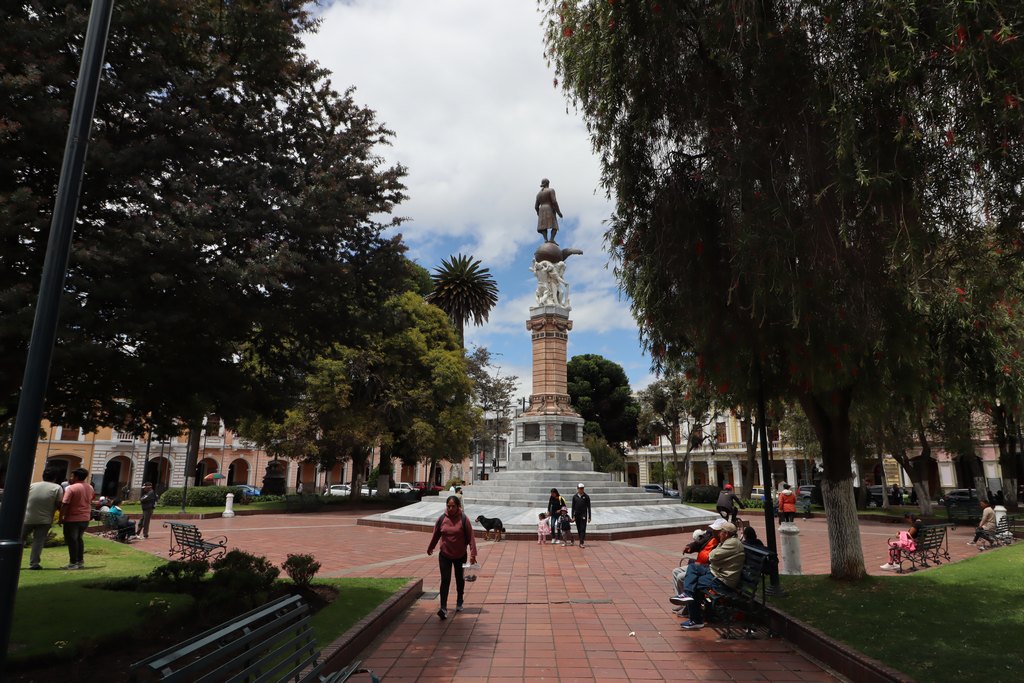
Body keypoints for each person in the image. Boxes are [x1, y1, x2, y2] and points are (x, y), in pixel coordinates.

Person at [678, 521, 747, 630]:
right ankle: (687, 594)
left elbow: (712, 556)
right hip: (715, 572)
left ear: (726, 533)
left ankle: (696, 619)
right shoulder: (727, 541)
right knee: (693, 567)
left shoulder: (732, 543)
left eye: (721, 532)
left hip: (722, 580)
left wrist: (716, 550)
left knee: (694, 584)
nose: (719, 534)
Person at [427, 495, 477, 620]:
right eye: (448, 506)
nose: (450, 508)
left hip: (460, 554)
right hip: (445, 554)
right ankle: (443, 607)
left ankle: (459, 600)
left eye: (453, 506)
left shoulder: (464, 519)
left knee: (459, 579)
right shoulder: (442, 518)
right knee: (445, 579)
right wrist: (431, 547)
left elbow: (471, 537)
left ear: (458, 506)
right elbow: (436, 534)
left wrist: (473, 554)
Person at [670, 519, 726, 608]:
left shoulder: (723, 543)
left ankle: (687, 606)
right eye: (714, 529)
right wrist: (690, 547)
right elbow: (698, 543)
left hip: (705, 568)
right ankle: (682, 603)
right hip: (697, 565)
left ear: (723, 532)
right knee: (675, 571)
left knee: (681, 577)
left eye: (716, 530)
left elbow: (716, 562)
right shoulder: (711, 536)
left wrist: (704, 565)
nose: (714, 531)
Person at [22, 470, 64, 570]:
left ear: (43, 476)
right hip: (45, 520)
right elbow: (59, 504)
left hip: (27, 518)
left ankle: (12, 560)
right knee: (38, 542)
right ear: (55, 478)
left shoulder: (32, 485)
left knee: (20, 540)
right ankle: (34, 563)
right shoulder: (57, 487)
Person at [59, 468, 95, 570]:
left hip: (72, 518)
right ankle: (80, 561)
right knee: (79, 539)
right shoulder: (90, 487)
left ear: (77, 477)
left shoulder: (71, 488)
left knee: (72, 540)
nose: (70, 478)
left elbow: (65, 504)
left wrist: (61, 517)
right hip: (85, 518)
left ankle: (73, 562)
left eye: (72, 476)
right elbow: (91, 499)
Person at [535, 178, 563, 242]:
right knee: (554, 225)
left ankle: (545, 239)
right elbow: (554, 201)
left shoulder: (538, 194)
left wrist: (538, 213)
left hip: (542, 210)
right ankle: (552, 239)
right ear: (548, 183)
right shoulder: (551, 190)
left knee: (543, 226)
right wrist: (558, 212)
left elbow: (536, 206)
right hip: (549, 208)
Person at [571, 483, 592, 548]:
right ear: (577, 489)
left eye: (582, 488)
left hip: (583, 514)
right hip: (577, 515)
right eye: (580, 488)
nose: (581, 490)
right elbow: (573, 507)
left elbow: (589, 507)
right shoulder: (575, 497)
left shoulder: (586, 497)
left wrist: (589, 517)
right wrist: (572, 516)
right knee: (579, 529)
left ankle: (581, 542)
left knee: (583, 528)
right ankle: (580, 540)